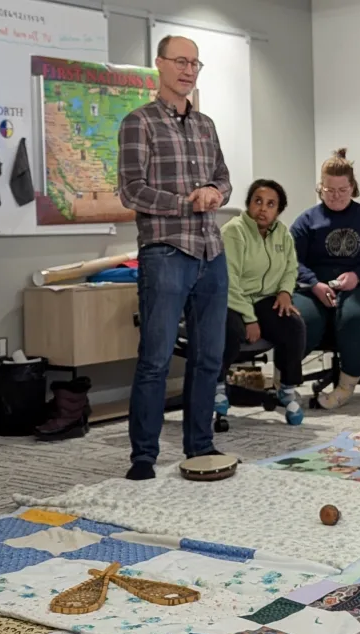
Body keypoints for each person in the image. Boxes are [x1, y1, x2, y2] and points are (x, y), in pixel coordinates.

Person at [118, 35, 230, 480]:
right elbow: (131, 190)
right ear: (159, 65)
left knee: (208, 359)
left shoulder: (205, 125)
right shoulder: (138, 123)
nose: (188, 70)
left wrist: (215, 192)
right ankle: (143, 456)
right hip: (166, 251)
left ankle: (199, 446)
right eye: (180, 61)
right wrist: (188, 201)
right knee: (156, 359)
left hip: (211, 251)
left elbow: (224, 178)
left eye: (195, 63)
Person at [291, 149, 360, 410]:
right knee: (298, 319)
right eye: (329, 190)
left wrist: (358, 275)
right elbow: (291, 260)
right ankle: (286, 383)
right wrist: (314, 283)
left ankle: (345, 386)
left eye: (342, 189)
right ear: (320, 188)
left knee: (355, 317)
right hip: (313, 288)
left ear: (353, 188)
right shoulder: (306, 220)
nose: (336, 196)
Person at [218, 179, 307, 425]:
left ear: (278, 210)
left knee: (293, 324)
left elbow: (291, 268)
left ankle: (286, 389)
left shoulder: (283, 234)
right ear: (249, 204)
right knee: (231, 329)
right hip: (231, 299)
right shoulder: (234, 231)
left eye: (270, 204)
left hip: (264, 299)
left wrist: (285, 293)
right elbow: (229, 280)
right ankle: (216, 385)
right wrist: (250, 318)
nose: (263, 209)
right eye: (258, 201)